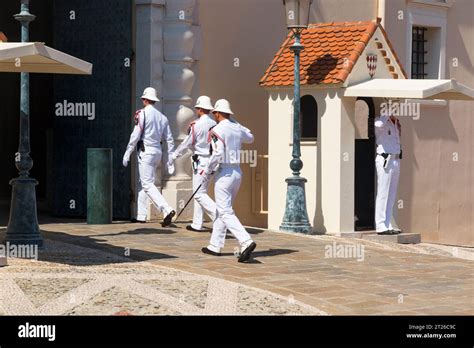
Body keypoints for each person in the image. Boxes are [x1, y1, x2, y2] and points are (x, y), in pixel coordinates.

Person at [200, 99, 256, 263]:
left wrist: (207, 171)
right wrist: (236, 121)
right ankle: (215, 245)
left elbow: (217, 154)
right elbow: (250, 137)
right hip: (237, 172)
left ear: (217, 113)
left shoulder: (217, 130)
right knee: (223, 209)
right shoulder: (236, 128)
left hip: (224, 173)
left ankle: (246, 241)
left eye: (214, 113)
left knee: (225, 211)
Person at [122, 87, 176, 227]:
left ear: (145, 100)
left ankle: (166, 209)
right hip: (157, 152)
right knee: (145, 183)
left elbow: (135, 135)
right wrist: (170, 160)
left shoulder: (142, 114)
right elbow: (169, 140)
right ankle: (141, 215)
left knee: (147, 184)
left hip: (146, 152)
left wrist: (128, 151)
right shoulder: (163, 117)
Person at [170, 96, 217, 232]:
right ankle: (197, 223)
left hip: (201, 162)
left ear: (200, 109)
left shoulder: (196, 125)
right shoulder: (215, 124)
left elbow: (187, 143)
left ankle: (219, 217)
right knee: (201, 192)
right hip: (213, 161)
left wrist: (175, 154)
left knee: (199, 194)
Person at [374, 99, 403, 235]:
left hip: (396, 159)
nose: (395, 112)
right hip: (385, 159)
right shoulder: (380, 121)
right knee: (383, 193)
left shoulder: (396, 123)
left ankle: (388, 223)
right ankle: (380, 225)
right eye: (393, 109)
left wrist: (395, 121)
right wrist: (387, 112)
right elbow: (379, 124)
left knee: (392, 194)